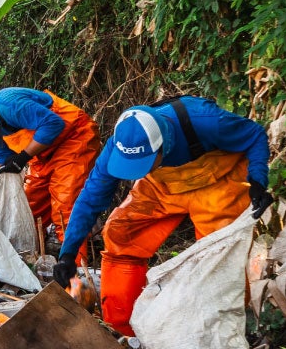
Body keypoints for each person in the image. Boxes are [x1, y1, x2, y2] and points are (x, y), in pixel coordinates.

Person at [54, 96, 273, 336]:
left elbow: (255, 135)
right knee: (121, 231)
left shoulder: (206, 121)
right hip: (163, 186)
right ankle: (123, 328)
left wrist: (258, 180)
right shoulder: (118, 146)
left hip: (220, 183)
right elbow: (90, 199)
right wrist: (68, 254)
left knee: (219, 258)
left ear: (164, 146)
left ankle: (221, 334)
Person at [0, 77, 99, 246]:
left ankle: (74, 267)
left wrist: (23, 157)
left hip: (73, 140)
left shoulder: (7, 104)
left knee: (65, 209)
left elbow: (53, 123)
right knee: (28, 211)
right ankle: (29, 256)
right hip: (43, 154)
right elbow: (3, 155)